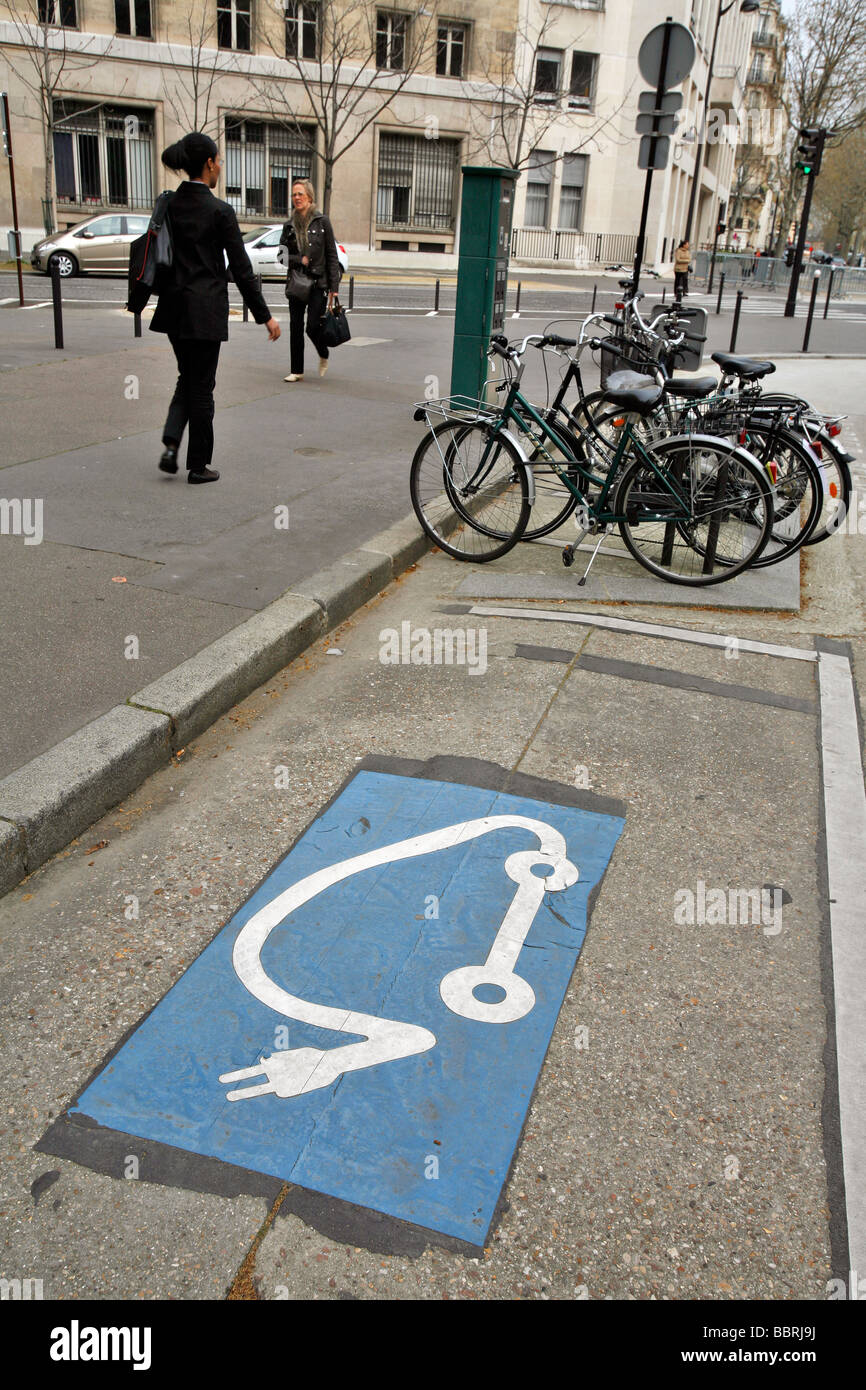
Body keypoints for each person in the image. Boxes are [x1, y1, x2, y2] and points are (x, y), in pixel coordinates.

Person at [151, 131, 281, 484]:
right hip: (205, 312)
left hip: (175, 310)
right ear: (209, 164)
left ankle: (170, 444)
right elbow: (241, 269)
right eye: (219, 160)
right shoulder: (220, 211)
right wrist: (265, 315)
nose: (220, 166)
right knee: (202, 386)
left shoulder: (170, 204)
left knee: (187, 378)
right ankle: (198, 465)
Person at [279, 180, 341, 382]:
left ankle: (323, 352)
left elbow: (332, 255)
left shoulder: (322, 221)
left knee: (312, 326)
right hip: (297, 282)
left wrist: (334, 288)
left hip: (318, 283)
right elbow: (281, 256)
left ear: (310, 197)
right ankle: (296, 370)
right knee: (295, 327)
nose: (296, 198)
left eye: (300, 194)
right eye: (294, 195)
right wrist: (299, 259)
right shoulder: (289, 225)